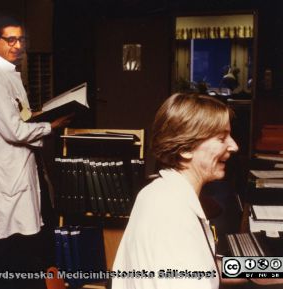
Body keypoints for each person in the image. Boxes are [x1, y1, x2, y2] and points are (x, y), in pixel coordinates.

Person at [112, 93, 282, 289]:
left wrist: (270, 267)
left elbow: (206, 268)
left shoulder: (159, 191)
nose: (234, 146)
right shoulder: (173, 218)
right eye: (221, 138)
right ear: (185, 149)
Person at [0, 15, 70, 288]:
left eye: (21, 39)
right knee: (14, 245)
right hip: (8, 170)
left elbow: (18, 115)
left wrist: (40, 115)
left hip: (21, 166)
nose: (18, 45)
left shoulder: (6, 72)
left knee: (26, 239)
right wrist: (50, 125)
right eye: (10, 39)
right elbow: (13, 131)